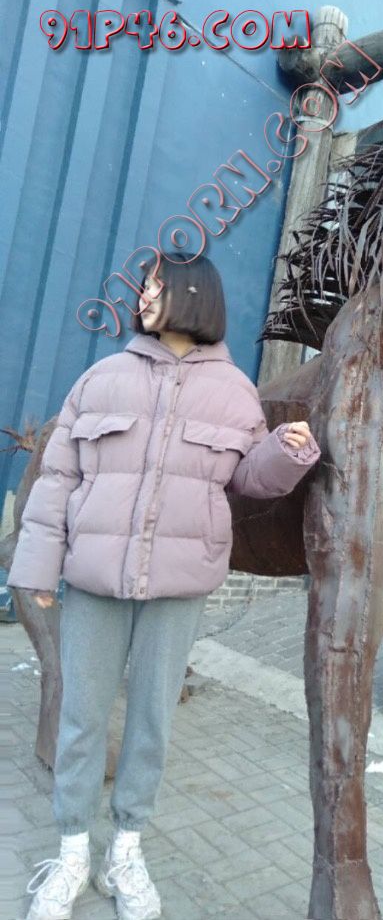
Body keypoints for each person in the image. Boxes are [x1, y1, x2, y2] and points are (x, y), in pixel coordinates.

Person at [8, 251, 321, 920]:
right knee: (81, 718)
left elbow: (249, 481)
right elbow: (58, 479)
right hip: (96, 580)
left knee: (152, 720)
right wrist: (35, 568)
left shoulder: (234, 391)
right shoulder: (101, 379)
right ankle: (71, 851)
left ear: (193, 295)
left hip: (178, 587)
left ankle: (125, 848)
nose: (143, 297)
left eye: (155, 287)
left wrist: (286, 452)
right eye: (143, 288)